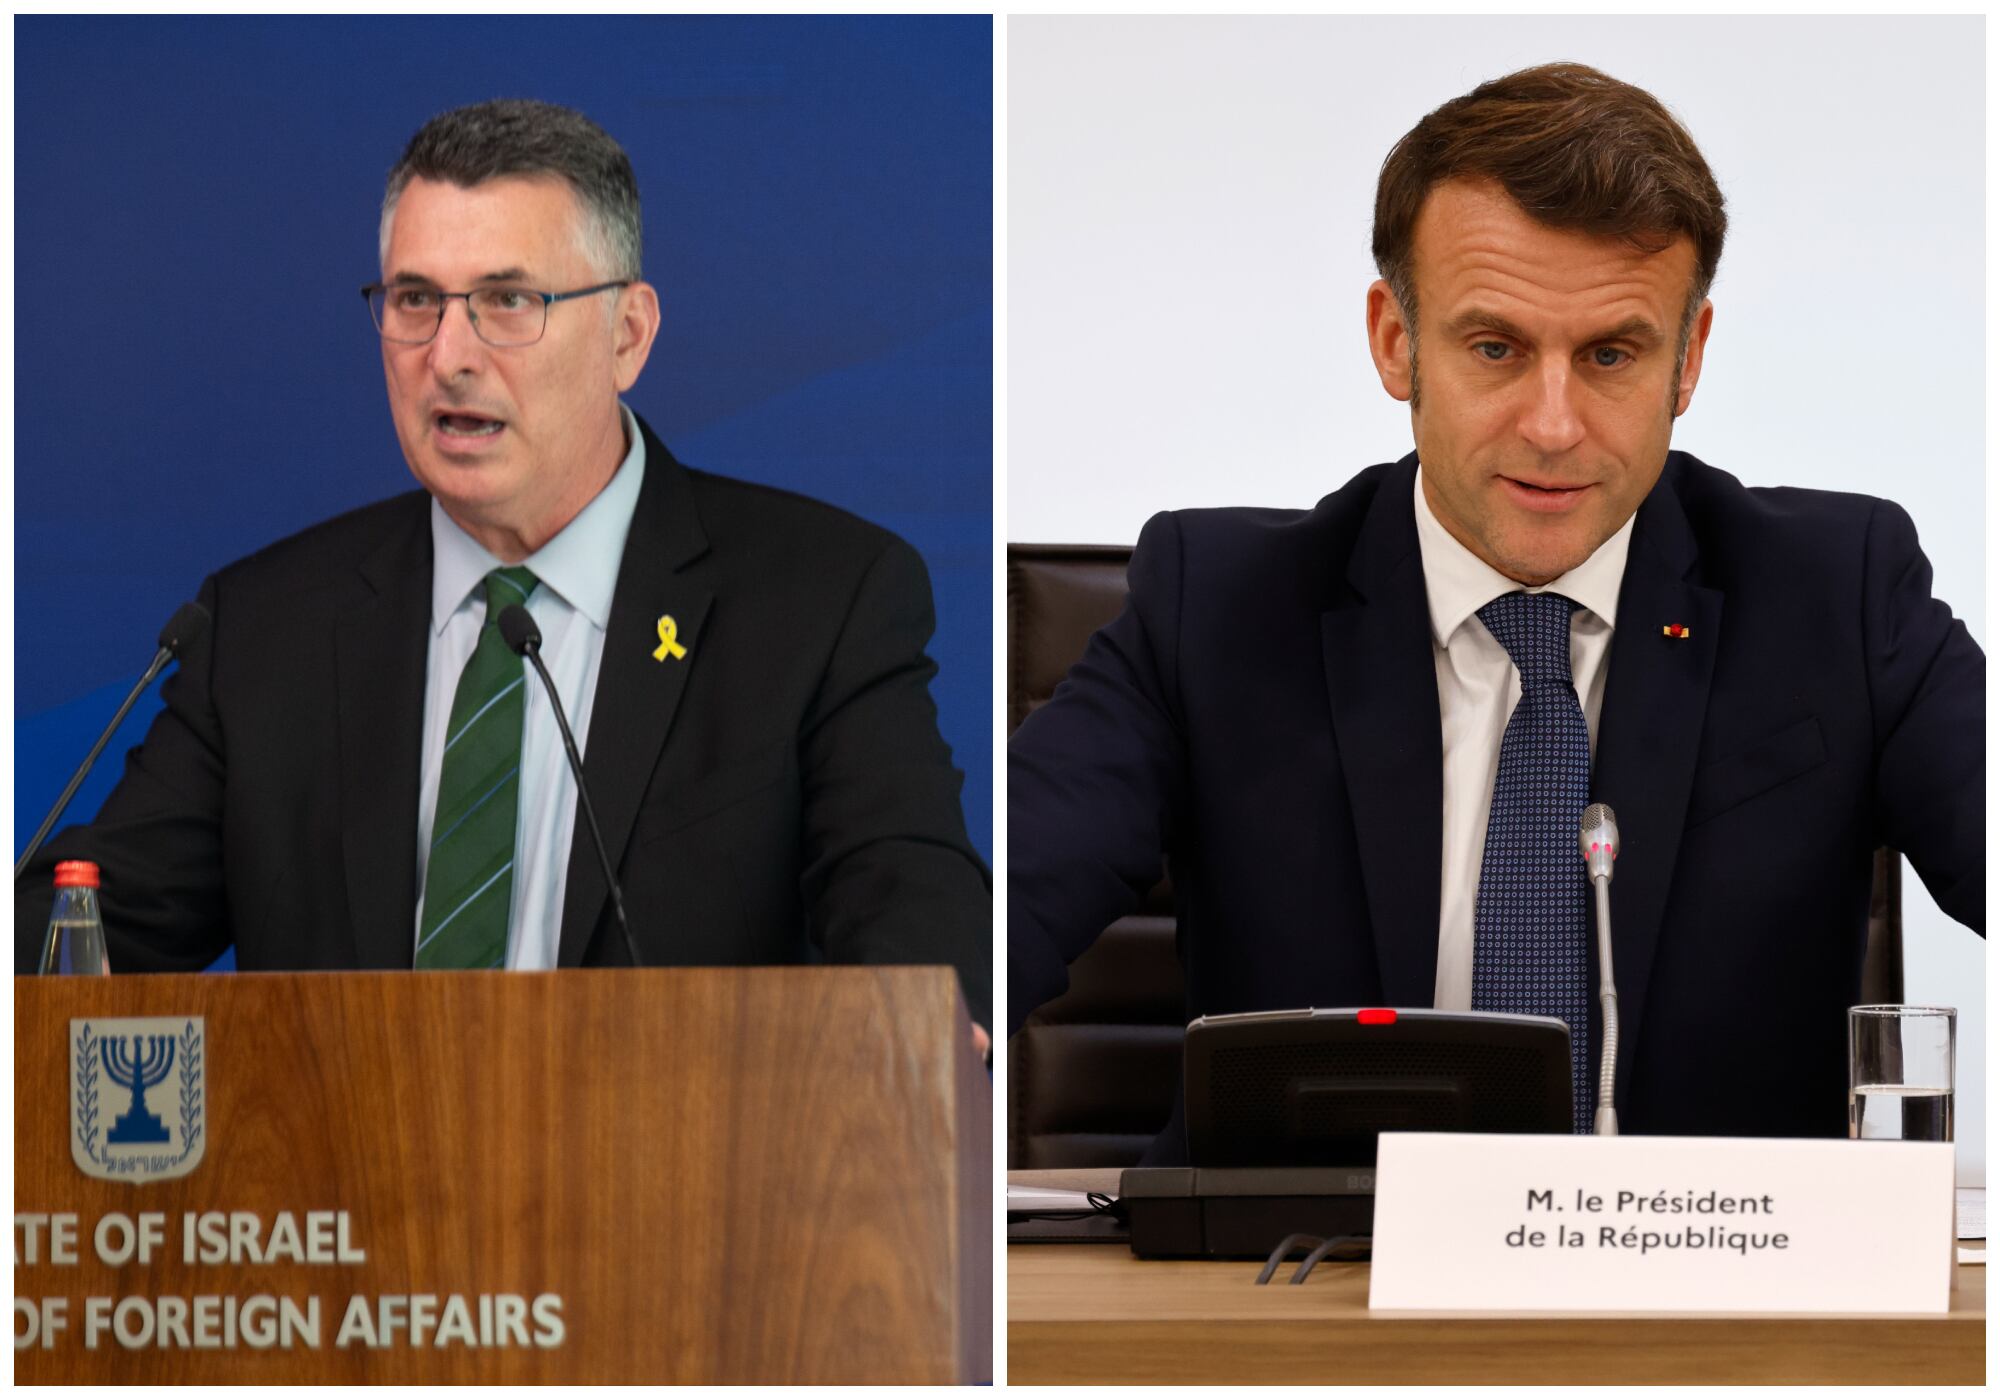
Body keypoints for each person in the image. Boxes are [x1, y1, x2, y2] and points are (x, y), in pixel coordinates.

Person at [1008, 63, 1981, 1156]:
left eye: (1610, 353)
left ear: (1688, 358)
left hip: (1712, 1298)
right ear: (1394, 341)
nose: (1553, 424)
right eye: (1494, 348)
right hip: (1294, 1292)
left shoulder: (1833, 593)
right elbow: (986, 908)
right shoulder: (1216, 602)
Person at [17, 99, 991, 1044]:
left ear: (628, 334)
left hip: (673, 1192)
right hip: (342, 1198)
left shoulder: (819, 600)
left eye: (506, 301)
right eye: (415, 301)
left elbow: (910, 907)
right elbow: (87, 923)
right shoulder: (267, 627)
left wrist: (919, 1042)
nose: (448, 356)